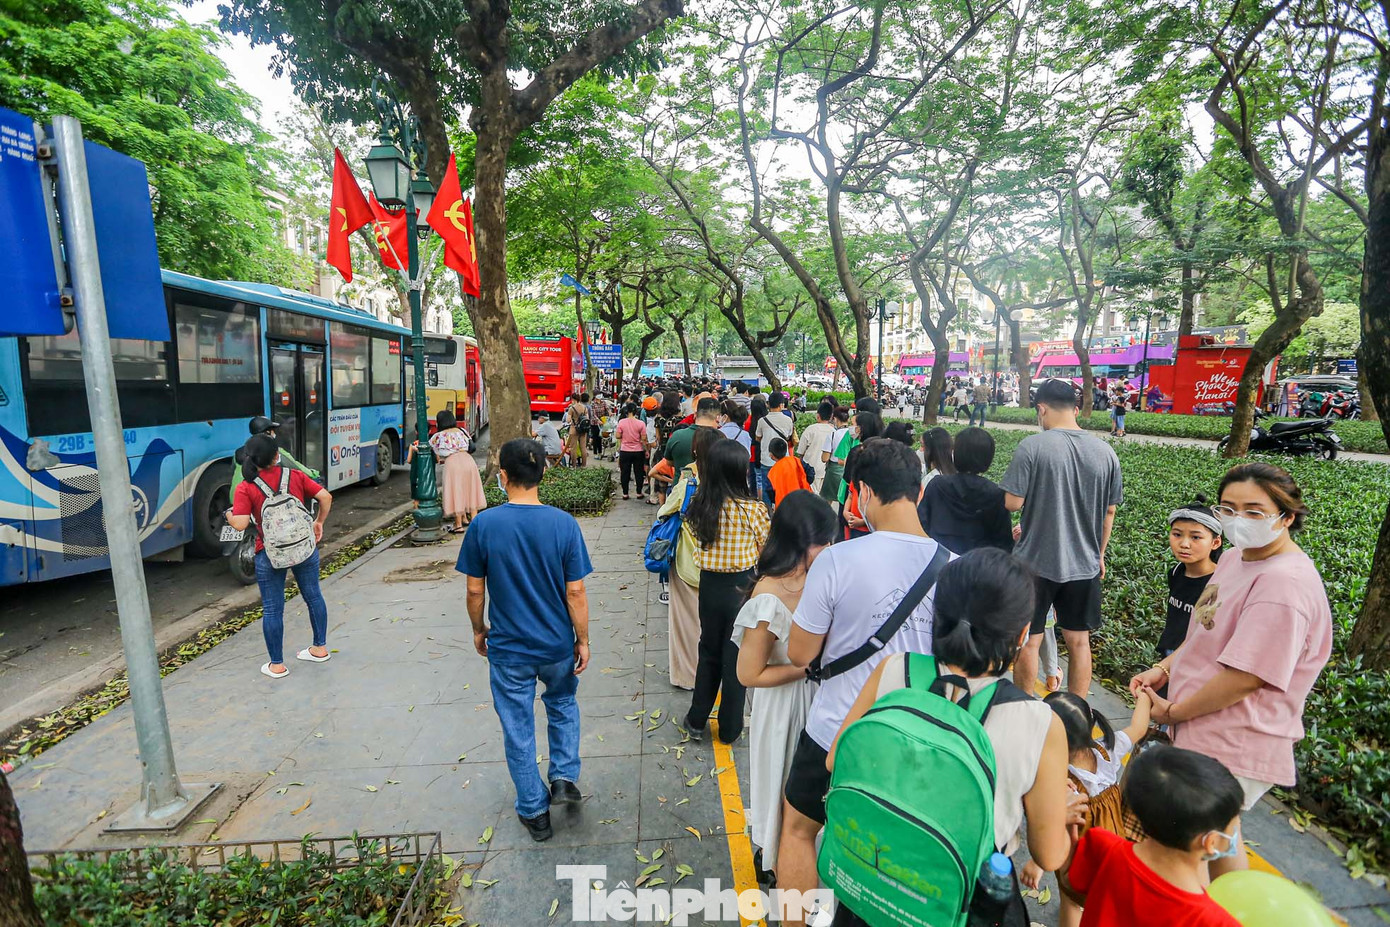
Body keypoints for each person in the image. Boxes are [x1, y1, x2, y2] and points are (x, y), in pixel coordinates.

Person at [827, 549, 1079, 927]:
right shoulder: (1039, 722)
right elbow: (1048, 854)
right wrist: (1066, 819)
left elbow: (835, 760)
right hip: (962, 902)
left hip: (874, 876)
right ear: (1023, 633)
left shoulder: (896, 669)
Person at [779, 439, 952, 920]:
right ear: (918, 493)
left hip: (835, 729)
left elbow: (799, 652)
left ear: (864, 493)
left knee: (798, 830)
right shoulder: (957, 567)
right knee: (893, 849)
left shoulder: (837, 559)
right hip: (917, 739)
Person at [1132, 463, 1332, 876]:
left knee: (1185, 853)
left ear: (1287, 517)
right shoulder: (1237, 558)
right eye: (1228, 508)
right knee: (1219, 838)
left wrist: (1171, 712)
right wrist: (1166, 668)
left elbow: (1246, 677)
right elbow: (1206, 627)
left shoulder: (1283, 586)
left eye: (1254, 511)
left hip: (1234, 739)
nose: (1239, 519)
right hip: (1206, 728)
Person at [456, 438, 593, 843]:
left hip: (509, 648)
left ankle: (534, 811)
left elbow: (475, 590)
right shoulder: (564, 524)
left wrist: (479, 629)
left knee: (517, 726)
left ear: (503, 476)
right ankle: (565, 775)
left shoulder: (484, 524)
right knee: (563, 702)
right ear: (543, 474)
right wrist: (582, 639)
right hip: (555, 644)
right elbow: (576, 593)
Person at [733, 491, 836, 879]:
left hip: (819, 699)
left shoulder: (824, 580)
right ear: (797, 540)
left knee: (811, 790)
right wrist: (805, 667)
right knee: (781, 780)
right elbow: (749, 674)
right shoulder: (768, 594)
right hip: (781, 705)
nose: (828, 548)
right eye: (820, 542)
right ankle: (777, 860)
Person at [1003, 377, 1122, 698]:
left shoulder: (1033, 446)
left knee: (1030, 639)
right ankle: (1077, 714)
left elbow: (1012, 503)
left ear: (1041, 409)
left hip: (1034, 564)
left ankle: (1025, 709)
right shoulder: (1106, 451)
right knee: (1079, 641)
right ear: (1074, 407)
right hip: (1084, 564)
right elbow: (1109, 512)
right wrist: (1099, 554)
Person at [1062, 746, 1244, 927]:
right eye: (1233, 826)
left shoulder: (1101, 845)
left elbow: (1071, 884)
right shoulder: (1217, 922)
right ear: (1209, 842)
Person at [1021, 688, 1153, 927]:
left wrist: (1038, 863)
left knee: (1072, 900)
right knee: (1103, 897)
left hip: (1074, 855)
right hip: (1112, 846)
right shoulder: (1108, 751)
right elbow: (1139, 727)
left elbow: (1053, 822)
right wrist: (1145, 694)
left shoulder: (1060, 778)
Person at [684, 437, 772, 744]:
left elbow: (696, 541)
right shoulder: (754, 510)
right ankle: (730, 727)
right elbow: (765, 550)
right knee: (736, 655)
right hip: (742, 589)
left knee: (708, 650)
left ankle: (696, 720)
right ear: (740, 472)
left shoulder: (700, 506)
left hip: (709, 586)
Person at [227, 433, 332, 680]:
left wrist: (228, 515)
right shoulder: (294, 475)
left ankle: (277, 665)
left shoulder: (246, 487)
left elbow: (240, 524)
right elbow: (325, 497)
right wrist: (318, 523)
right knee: (313, 595)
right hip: (304, 548)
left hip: (269, 553)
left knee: (273, 609)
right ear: (277, 456)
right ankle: (320, 648)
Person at [658, 427, 722, 688]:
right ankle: (713, 675)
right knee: (713, 626)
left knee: (686, 624)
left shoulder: (688, 484)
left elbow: (663, 511)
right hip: (719, 567)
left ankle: (687, 676)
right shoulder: (729, 486)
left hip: (687, 564)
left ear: (696, 451)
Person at [918, 427, 1013, 554]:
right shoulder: (995, 493)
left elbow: (921, 522)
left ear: (956, 453)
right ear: (988, 457)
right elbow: (1003, 541)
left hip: (940, 557)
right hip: (977, 564)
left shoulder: (938, 485)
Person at [1156, 494, 1223, 667]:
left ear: (1215, 543)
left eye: (1195, 537)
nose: (1184, 544)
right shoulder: (1177, 571)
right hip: (1167, 653)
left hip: (1195, 664)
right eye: (1177, 534)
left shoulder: (1218, 582)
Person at [426, 409, 486, 533]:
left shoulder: (438, 436)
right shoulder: (462, 431)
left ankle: (458, 525)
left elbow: (428, 447)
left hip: (452, 463)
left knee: (456, 490)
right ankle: (473, 521)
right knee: (471, 489)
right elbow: (470, 445)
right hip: (468, 461)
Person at [230, 416, 318, 496]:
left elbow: (233, 472)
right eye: (273, 430)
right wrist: (313, 474)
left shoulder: (239, 452)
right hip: (249, 497)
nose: (274, 433)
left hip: (235, 496)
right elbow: (296, 467)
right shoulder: (275, 452)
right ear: (268, 432)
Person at [836, 412, 883, 542]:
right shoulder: (883, 448)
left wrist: (846, 511)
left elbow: (848, 481)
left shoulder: (858, 451)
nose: (851, 428)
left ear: (862, 427)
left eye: (853, 425)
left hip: (852, 507)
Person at [755, 392, 797, 509]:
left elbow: (757, 437)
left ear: (768, 404)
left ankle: (768, 514)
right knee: (783, 487)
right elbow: (788, 436)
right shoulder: (788, 420)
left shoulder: (762, 421)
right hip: (783, 460)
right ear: (781, 405)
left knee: (766, 487)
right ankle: (782, 511)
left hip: (766, 459)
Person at [662, 397, 720, 475]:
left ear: (695, 414)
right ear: (718, 417)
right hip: (709, 485)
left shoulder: (677, 435)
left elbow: (669, 462)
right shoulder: (720, 438)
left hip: (681, 485)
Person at [796, 401, 835, 494]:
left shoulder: (811, 429)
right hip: (826, 471)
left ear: (818, 416)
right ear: (831, 417)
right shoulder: (833, 431)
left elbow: (800, 451)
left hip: (810, 469)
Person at [614, 403, 649, 500]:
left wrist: (624, 436)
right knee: (638, 472)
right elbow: (643, 439)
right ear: (635, 411)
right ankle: (639, 492)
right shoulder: (641, 423)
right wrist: (646, 450)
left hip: (625, 450)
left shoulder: (621, 422)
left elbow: (617, 436)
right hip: (638, 450)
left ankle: (625, 493)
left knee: (625, 472)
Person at [818, 406, 852, 503]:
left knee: (827, 500)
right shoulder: (853, 435)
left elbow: (825, 458)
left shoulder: (833, 435)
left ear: (835, 419)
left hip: (834, 471)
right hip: (849, 470)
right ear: (848, 419)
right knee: (847, 500)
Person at [765, 437, 811, 507]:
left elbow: (770, 493)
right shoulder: (796, 461)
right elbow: (811, 473)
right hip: (804, 501)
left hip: (784, 508)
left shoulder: (772, 473)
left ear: (771, 455)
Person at [565, 393, 589, 466]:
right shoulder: (584, 407)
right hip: (583, 429)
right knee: (583, 448)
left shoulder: (571, 408)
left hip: (574, 429)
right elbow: (587, 418)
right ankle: (584, 465)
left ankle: (574, 465)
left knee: (573, 448)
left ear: (573, 399)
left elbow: (568, 420)